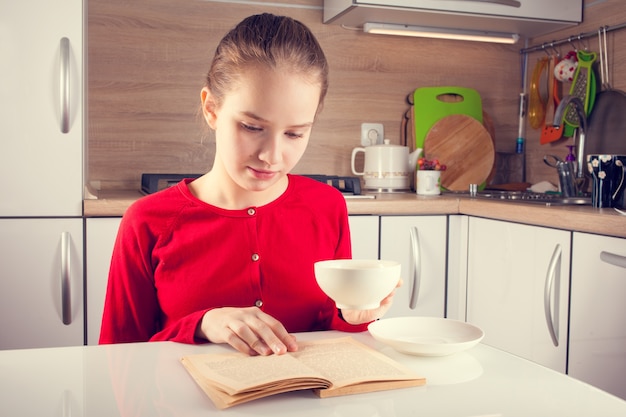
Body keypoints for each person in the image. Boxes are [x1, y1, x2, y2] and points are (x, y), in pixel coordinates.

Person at [99, 13, 399, 356]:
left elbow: (333, 336)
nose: (272, 156)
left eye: (295, 133)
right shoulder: (147, 220)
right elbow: (115, 359)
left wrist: (355, 318)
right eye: (252, 127)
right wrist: (201, 324)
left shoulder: (327, 205)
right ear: (212, 109)